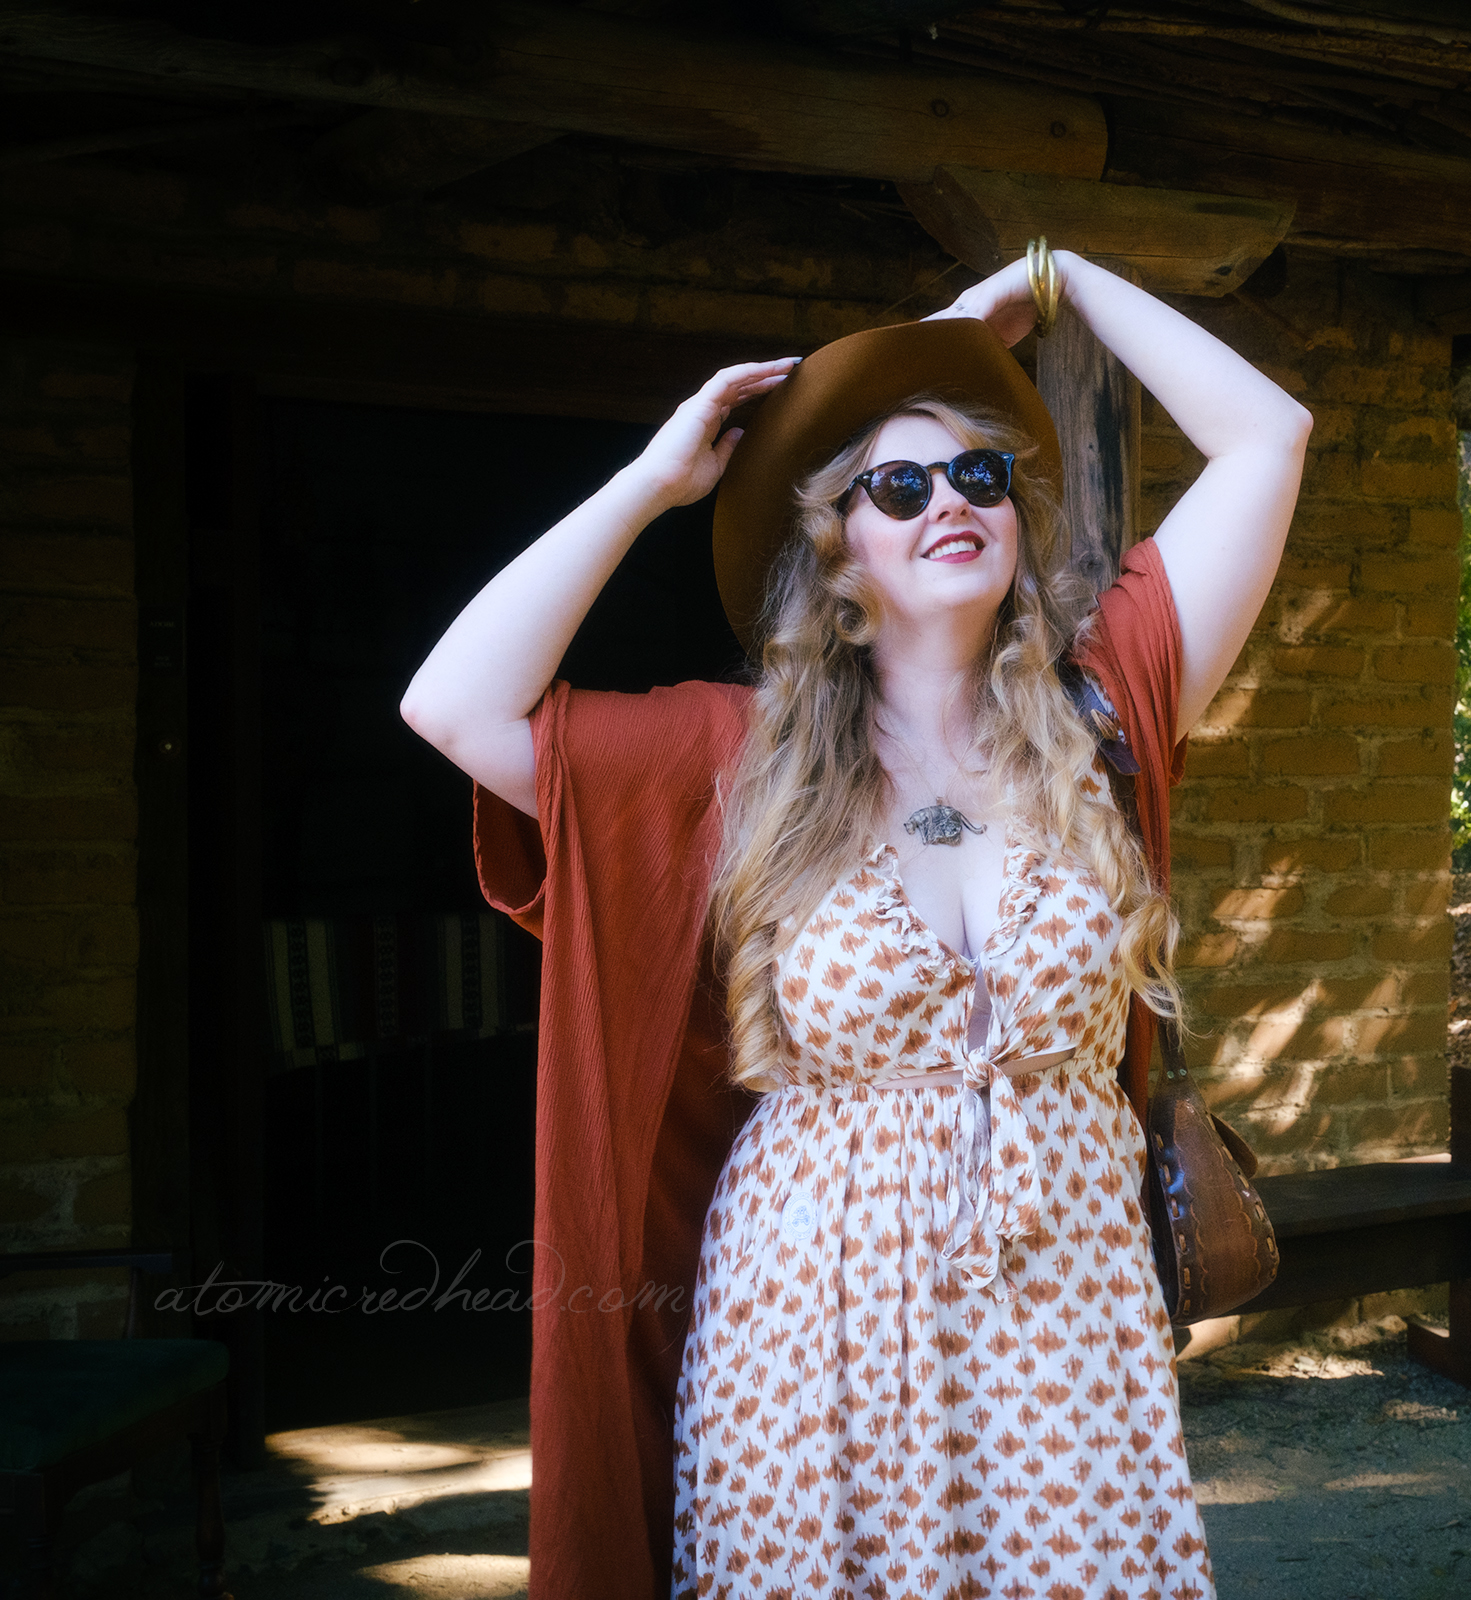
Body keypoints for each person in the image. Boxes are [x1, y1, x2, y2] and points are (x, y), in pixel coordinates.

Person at [401, 250, 1311, 1599]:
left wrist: (1057, 273)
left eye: (979, 473)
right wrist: (654, 480)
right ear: (838, 549)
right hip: (810, 1319)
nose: (952, 497)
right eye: (901, 482)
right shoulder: (735, 757)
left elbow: (1268, 434)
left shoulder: (1104, 702)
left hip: (1064, 1309)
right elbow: (454, 704)